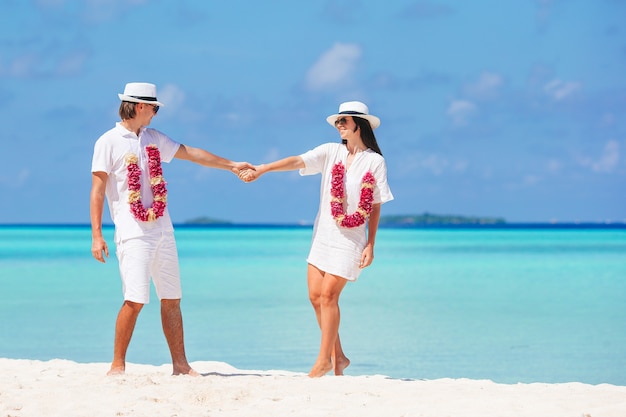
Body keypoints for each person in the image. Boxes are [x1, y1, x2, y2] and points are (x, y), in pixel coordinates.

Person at [90, 82, 253, 376]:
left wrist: (231, 164)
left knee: (172, 297)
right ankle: (117, 365)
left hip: (163, 228)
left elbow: (190, 153)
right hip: (132, 231)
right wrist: (97, 235)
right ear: (140, 106)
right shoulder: (108, 141)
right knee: (135, 299)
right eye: (153, 108)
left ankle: (180, 365)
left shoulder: (152, 138)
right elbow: (97, 191)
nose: (155, 113)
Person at [239, 101, 394, 377]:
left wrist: (371, 244)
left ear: (360, 123)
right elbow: (297, 161)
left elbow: (376, 205)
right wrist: (263, 169)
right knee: (314, 297)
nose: (339, 125)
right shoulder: (330, 152)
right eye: (337, 122)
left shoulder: (375, 161)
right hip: (323, 234)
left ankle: (324, 361)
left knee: (329, 296)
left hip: (351, 240)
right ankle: (339, 358)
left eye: (343, 120)